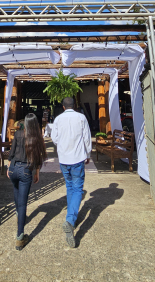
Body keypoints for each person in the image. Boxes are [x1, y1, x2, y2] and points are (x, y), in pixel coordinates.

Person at [50, 96, 92, 248]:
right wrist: (88, 154)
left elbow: (54, 138)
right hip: (77, 158)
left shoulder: (58, 119)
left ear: (63, 107)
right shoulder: (81, 118)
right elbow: (87, 138)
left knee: (69, 187)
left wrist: (62, 144)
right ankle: (70, 219)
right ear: (74, 105)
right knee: (78, 188)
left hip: (64, 158)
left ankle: (71, 217)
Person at [7, 113, 47, 250]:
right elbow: (38, 157)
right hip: (25, 170)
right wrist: (37, 172)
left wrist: (9, 167)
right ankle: (20, 237)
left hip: (14, 168)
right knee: (23, 202)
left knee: (16, 192)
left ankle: (19, 215)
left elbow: (11, 152)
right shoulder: (36, 137)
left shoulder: (18, 134)